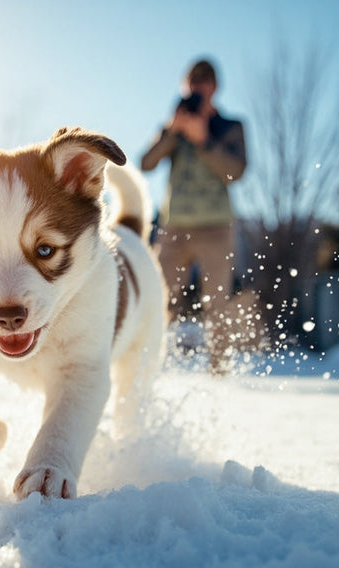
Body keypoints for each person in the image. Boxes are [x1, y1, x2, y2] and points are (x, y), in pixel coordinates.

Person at [141, 58, 249, 362]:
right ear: (184, 85)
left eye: (204, 83)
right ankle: (153, 363)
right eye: (192, 83)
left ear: (214, 88)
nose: (197, 89)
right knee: (158, 298)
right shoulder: (172, 127)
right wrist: (171, 132)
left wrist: (204, 140)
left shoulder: (230, 126)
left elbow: (235, 172)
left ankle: (219, 370)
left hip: (216, 228)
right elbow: (146, 163)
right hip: (174, 227)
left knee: (218, 303)